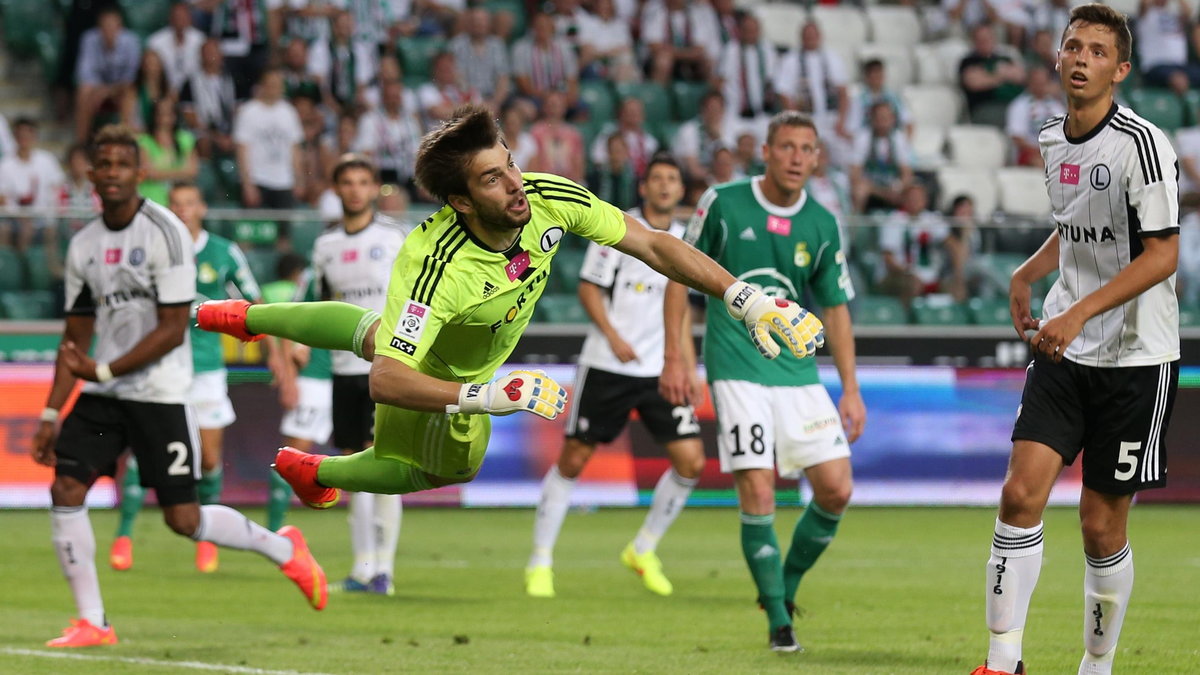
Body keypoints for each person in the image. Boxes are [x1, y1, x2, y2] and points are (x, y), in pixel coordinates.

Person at [194, 105, 823, 580]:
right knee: (447, 463)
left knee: (367, 332)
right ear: (461, 201)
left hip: (461, 346)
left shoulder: (548, 197)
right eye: (493, 179)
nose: (517, 183)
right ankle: (319, 470)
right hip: (443, 365)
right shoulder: (434, 262)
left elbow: (654, 243)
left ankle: (248, 322)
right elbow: (387, 379)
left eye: (511, 163)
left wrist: (746, 298)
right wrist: (484, 396)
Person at [30, 125, 326, 648]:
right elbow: (74, 338)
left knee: (183, 518)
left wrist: (102, 371)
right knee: (66, 487)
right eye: (105, 164)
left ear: (142, 174)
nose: (113, 173)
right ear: (91, 175)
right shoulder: (84, 246)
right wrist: (53, 413)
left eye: (124, 164)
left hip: (161, 392)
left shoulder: (165, 233)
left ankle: (284, 548)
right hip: (106, 394)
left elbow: (172, 329)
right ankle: (94, 622)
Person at [971, 6, 1181, 675]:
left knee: (1099, 526)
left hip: (1134, 357)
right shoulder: (1052, 140)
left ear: (1119, 69)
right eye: (1073, 46)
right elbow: (1080, 225)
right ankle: (1003, 661)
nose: (1082, 57)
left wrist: (1078, 313)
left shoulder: (1143, 144)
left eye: (1097, 50)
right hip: (1066, 350)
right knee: (1018, 495)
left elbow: (1161, 255)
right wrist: (1030, 270)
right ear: (1058, 59)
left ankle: (1097, 664)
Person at [661, 110, 865, 653]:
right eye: (788, 146)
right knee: (757, 487)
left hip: (799, 373)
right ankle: (779, 623)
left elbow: (836, 308)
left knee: (837, 488)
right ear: (767, 152)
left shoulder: (821, 222)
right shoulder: (723, 202)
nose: (798, 157)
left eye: (808, 148)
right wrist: (676, 357)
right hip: (736, 368)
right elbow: (679, 273)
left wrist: (851, 386)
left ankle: (783, 588)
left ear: (818, 158)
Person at [525, 155, 703, 599]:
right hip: (608, 362)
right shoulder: (616, 230)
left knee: (691, 462)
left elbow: (681, 311)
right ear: (644, 187)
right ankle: (540, 560)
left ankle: (643, 549)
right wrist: (613, 335)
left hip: (660, 368)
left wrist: (686, 361)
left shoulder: (685, 242)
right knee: (574, 460)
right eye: (657, 179)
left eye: (672, 179)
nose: (665, 186)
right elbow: (588, 288)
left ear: (681, 191)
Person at [109, 181, 267, 573]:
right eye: (175, 204)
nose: (182, 211)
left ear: (201, 208)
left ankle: (205, 536)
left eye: (189, 203)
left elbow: (255, 302)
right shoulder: (152, 251)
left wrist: (256, 336)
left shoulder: (222, 252)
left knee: (210, 459)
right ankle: (124, 536)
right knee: (142, 453)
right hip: (160, 368)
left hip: (206, 370)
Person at [307, 154, 411, 594]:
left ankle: (384, 569)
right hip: (343, 368)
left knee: (380, 464)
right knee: (353, 467)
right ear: (337, 190)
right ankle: (362, 567)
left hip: (386, 366)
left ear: (373, 189)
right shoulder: (325, 246)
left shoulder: (394, 238)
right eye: (346, 181)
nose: (354, 189)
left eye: (362, 181)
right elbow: (320, 304)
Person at [266, 255, 333, 533]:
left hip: (352, 380)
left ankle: (371, 547)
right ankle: (272, 530)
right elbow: (287, 324)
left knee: (365, 453)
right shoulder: (313, 278)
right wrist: (289, 379)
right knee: (292, 457)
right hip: (315, 381)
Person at [233, 69, 305, 209]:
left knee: (284, 229)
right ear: (262, 86)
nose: (274, 89)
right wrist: (248, 185)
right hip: (258, 180)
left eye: (278, 85)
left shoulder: (289, 112)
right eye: (271, 84)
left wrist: (299, 181)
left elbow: (295, 149)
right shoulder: (248, 111)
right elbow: (242, 150)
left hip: (285, 181)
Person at [137, 100, 199, 206]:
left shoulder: (185, 138)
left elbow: (193, 171)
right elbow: (148, 173)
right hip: (150, 200)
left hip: (178, 202)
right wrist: (181, 172)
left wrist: (160, 172)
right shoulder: (143, 140)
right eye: (160, 113)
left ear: (175, 116)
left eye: (168, 113)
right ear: (154, 116)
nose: (164, 118)